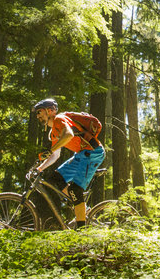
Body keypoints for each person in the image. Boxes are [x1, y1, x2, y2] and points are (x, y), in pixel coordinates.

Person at [32, 98, 105, 229]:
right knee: (56, 178)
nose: (37, 115)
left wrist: (50, 150)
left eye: (39, 112)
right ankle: (83, 208)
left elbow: (68, 135)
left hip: (92, 153)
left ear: (50, 111)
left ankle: (81, 231)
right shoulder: (53, 132)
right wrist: (40, 168)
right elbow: (56, 155)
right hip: (81, 154)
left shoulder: (59, 119)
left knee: (75, 189)